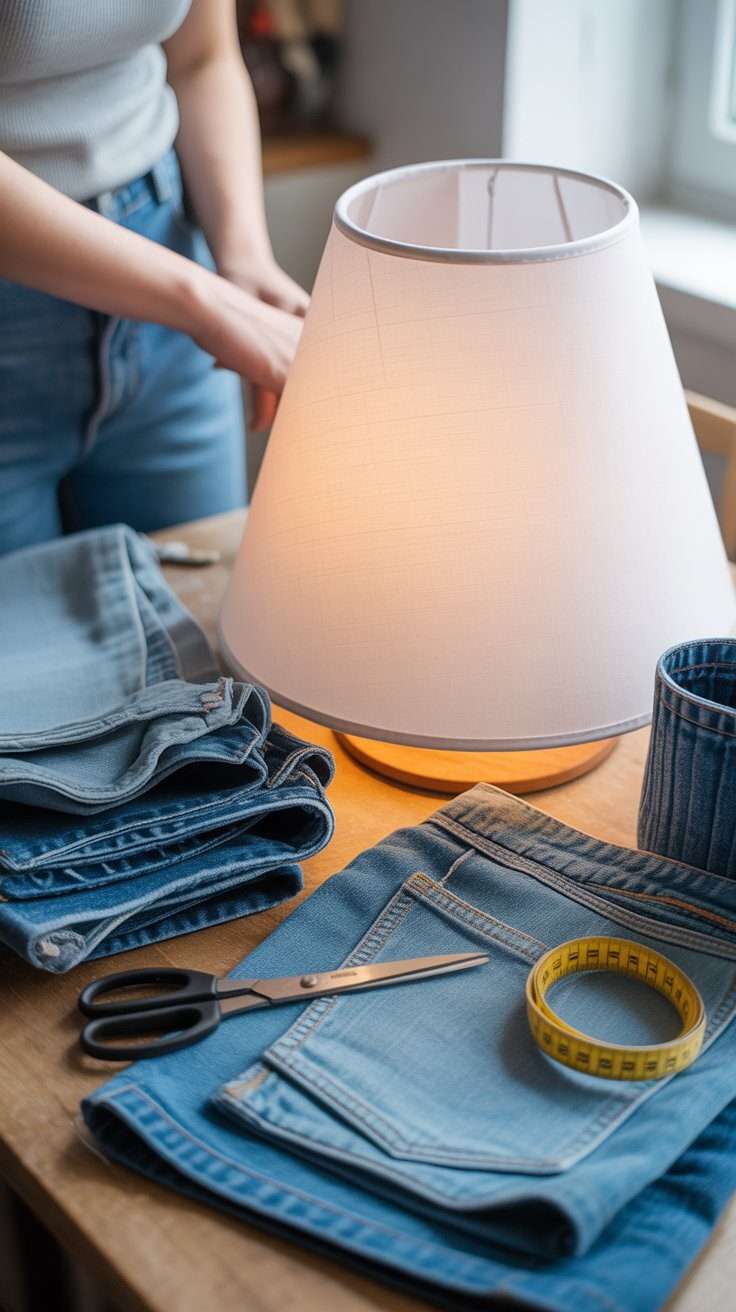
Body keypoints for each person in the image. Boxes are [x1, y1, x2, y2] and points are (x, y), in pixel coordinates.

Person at [0, 0, 308, 556]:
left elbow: (202, 58)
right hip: (170, 297)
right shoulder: (199, 301)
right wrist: (204, 300)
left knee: (200, 605)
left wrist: (243, 257)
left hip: (169, 268)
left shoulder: (201, 295)